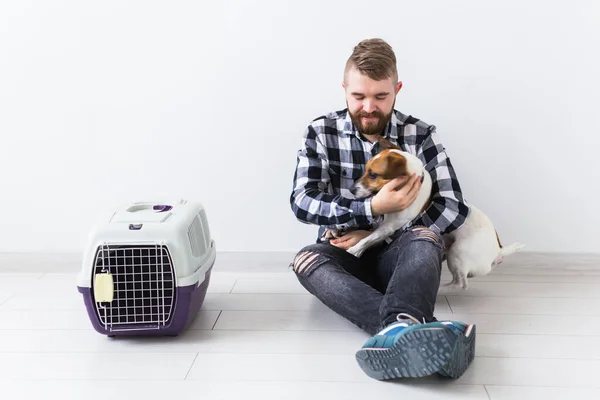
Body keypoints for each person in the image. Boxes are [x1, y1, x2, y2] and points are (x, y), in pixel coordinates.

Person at [289, 38, 476, 380]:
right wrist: (371, 207)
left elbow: (453, 208)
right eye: (358, 96)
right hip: (344, 255)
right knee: (305, 261)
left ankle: (399, 332)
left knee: (425, 237)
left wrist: (377, 235)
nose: (369, 107)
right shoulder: (321, 132)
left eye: (380, 96)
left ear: (397, 89)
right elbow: (302, 201)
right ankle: (412, 328)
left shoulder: (420, 135)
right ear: (344, 88)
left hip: (402, 256)